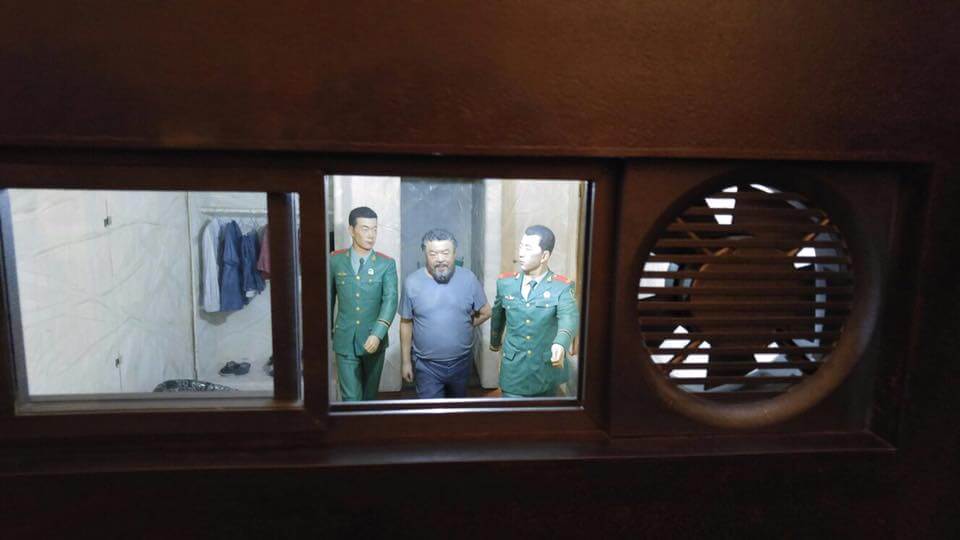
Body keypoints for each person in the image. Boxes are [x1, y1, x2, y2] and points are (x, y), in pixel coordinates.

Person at [399, 229, 491, 398]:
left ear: (454, 253)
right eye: (433, 254)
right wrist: (405, 362)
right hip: (426, 367)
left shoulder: (469, 279)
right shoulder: (411, 283)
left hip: (462, 364)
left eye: (445, 253)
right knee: (431, 412)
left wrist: (463, 324)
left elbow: (486, 312)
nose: (440, 259)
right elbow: (406, 322)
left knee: (458, 410)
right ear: (425, 254)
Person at [490, 225, 579, 397]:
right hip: (514, 371)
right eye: (521, 246)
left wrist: (561, 343)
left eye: (528, 248)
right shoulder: (505, 284)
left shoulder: (560, 287)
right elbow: (498, 316)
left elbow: (569, 317)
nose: (521, 253)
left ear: (544, 256)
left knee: (545, 412)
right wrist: (495, 342)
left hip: (546, 371)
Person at [329, 206, 398, 401]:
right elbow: (327, 300)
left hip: (374, 340)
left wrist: (378, 333)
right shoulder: (335, 261)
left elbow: (390, 300)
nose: (371, 235)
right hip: (345, 340)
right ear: (351, 230)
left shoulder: (386, 264)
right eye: (365, 229)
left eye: (375, 229)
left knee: (369, 398)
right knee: (351, 400)